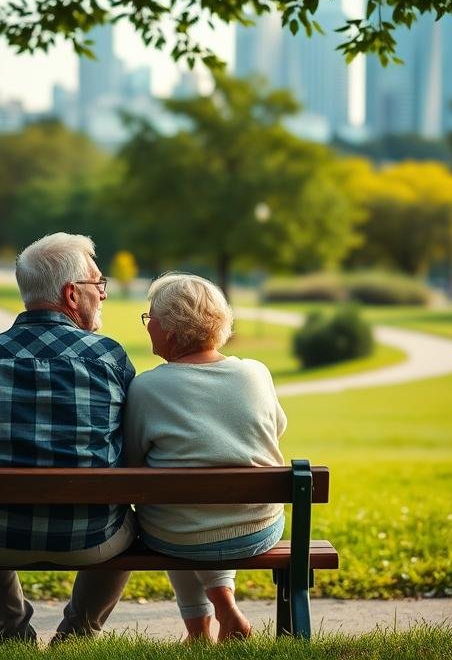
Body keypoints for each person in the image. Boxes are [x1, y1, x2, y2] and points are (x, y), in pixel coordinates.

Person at [0, 232, 136, 644]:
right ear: (71, 295)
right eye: (97, 285)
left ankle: (11, 634)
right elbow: (129, 447)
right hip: (91, 536)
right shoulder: (110, 358)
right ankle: (78, 633)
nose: (102, 295)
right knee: (134, 521)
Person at [124, 273, 287, 642]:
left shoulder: (147, 387)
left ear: (171, 329)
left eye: (150, 319)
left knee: (176, 518)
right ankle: (224, 608)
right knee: (194, 517)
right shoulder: (256, 373)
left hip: (175, 534)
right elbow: (276, 428)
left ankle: (199, 629)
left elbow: (132, 460)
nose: (149, 328)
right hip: (257, 527)